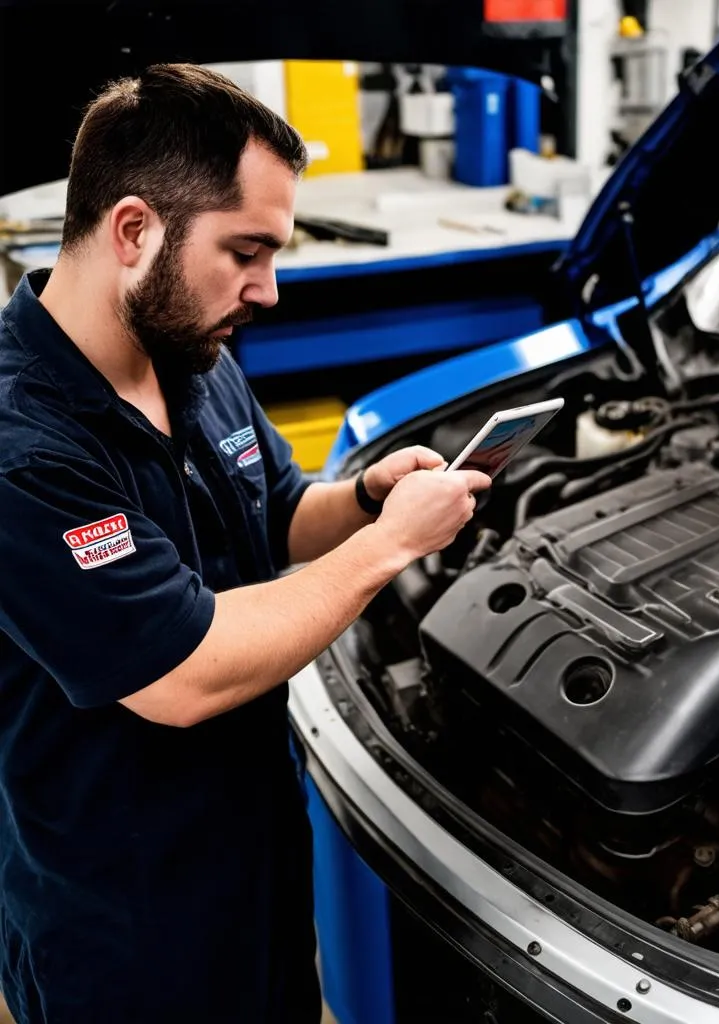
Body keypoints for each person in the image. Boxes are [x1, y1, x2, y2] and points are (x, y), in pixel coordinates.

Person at [0, 63, 490, 1023]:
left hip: (251, 860)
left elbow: (270, 509)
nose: (267, 290)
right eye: (247, 251)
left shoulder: (188, 346)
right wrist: (389, 547)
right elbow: (185, 670)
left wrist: (359, 500)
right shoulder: (25, 451)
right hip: (123, 920)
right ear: (134, 230)